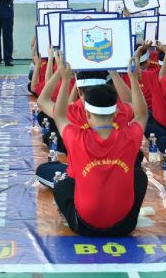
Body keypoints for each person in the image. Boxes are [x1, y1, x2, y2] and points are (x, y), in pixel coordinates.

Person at [44, 54, 149, 236]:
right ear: (116, 112)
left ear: (88, 113)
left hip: (86, 227)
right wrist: (132, 77)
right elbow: (142, 114)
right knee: (139, 177)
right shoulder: (130, 136)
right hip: (124, 227)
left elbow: (58, 114)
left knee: (61, 186)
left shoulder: (76, 138)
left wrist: (64, 77)